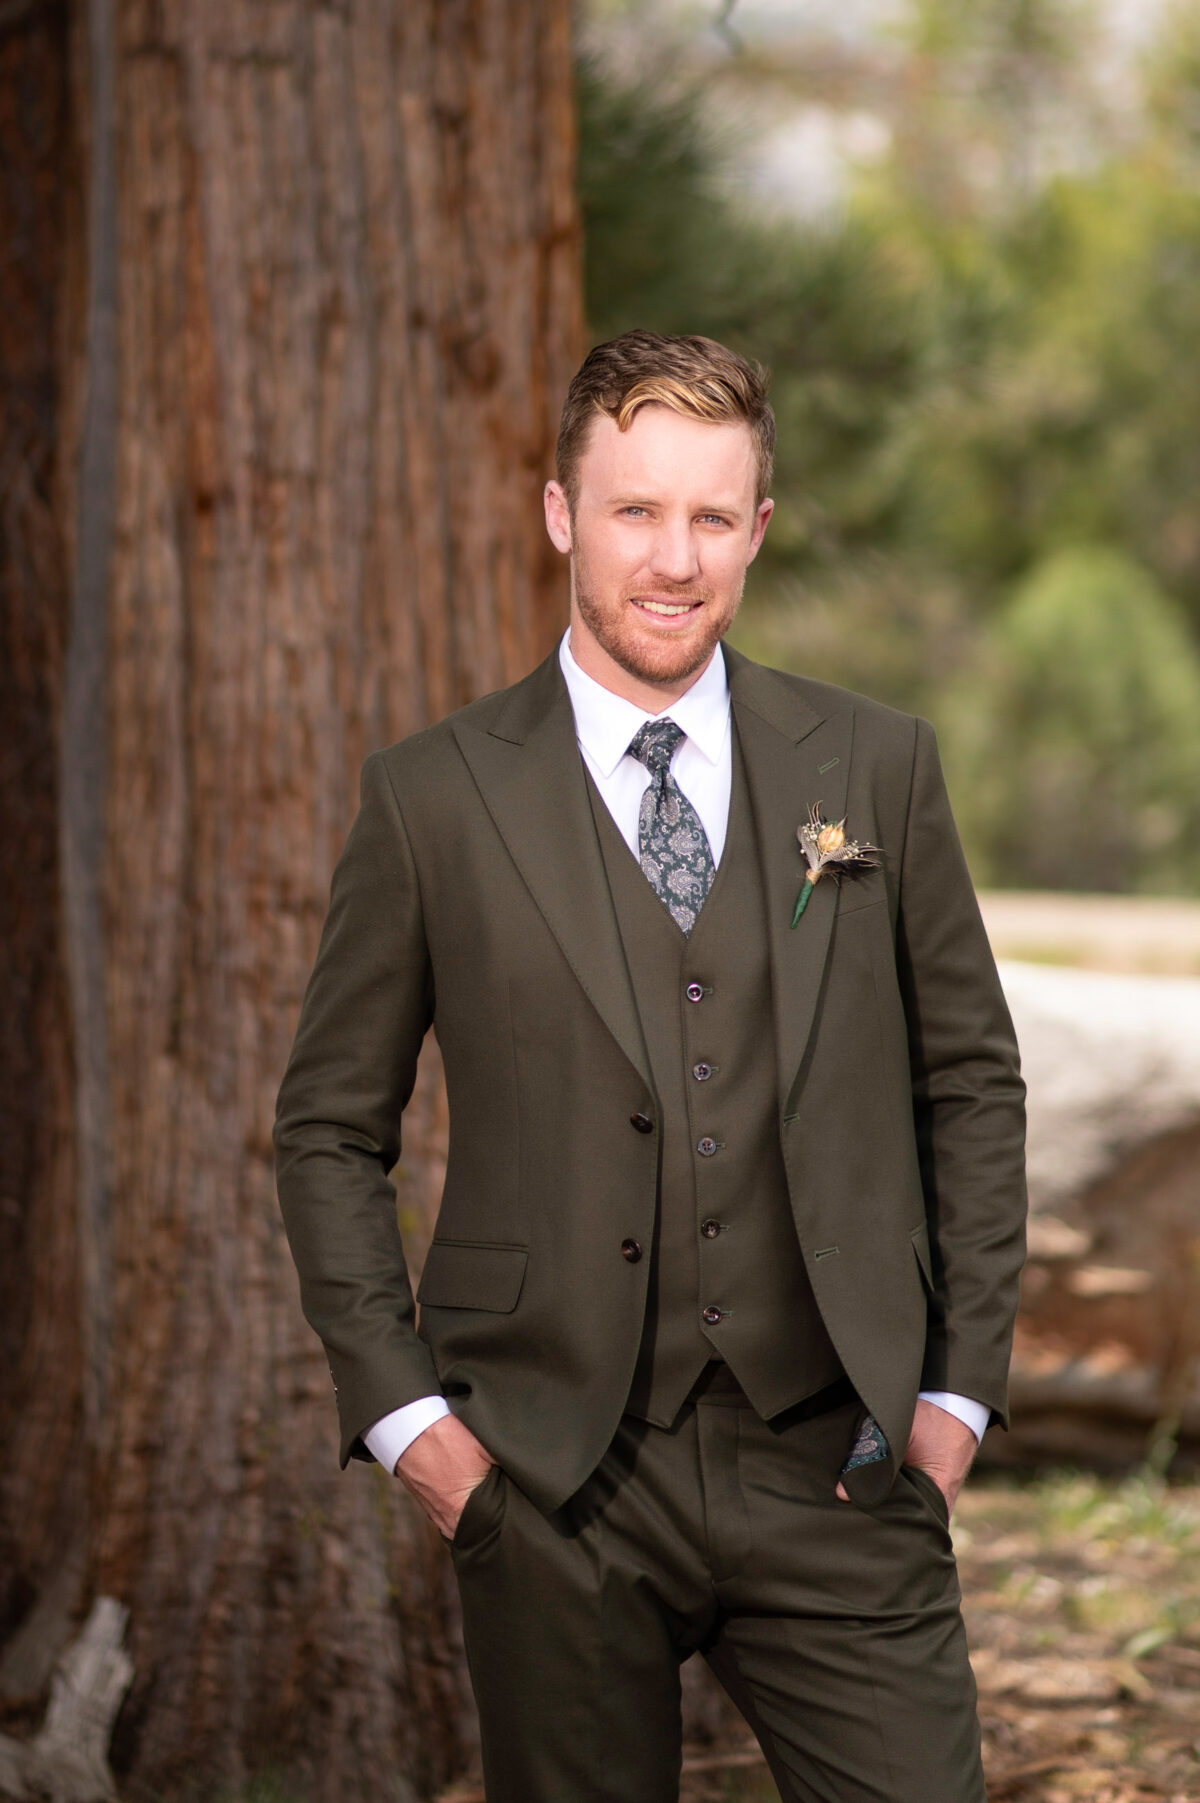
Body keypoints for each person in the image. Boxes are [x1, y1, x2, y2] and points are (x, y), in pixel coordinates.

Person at [274, 329, 1027, 1802]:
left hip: (841, 1458)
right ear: (563, 513)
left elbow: (971, 1083)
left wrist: (959, 1395)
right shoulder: (433, 798)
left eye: (708, 516)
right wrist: (417, 1431)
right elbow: (327, 1129)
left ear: (756, 529)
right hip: (552, 1480)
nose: (671, 560)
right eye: (634, 510)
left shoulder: (874, 767)